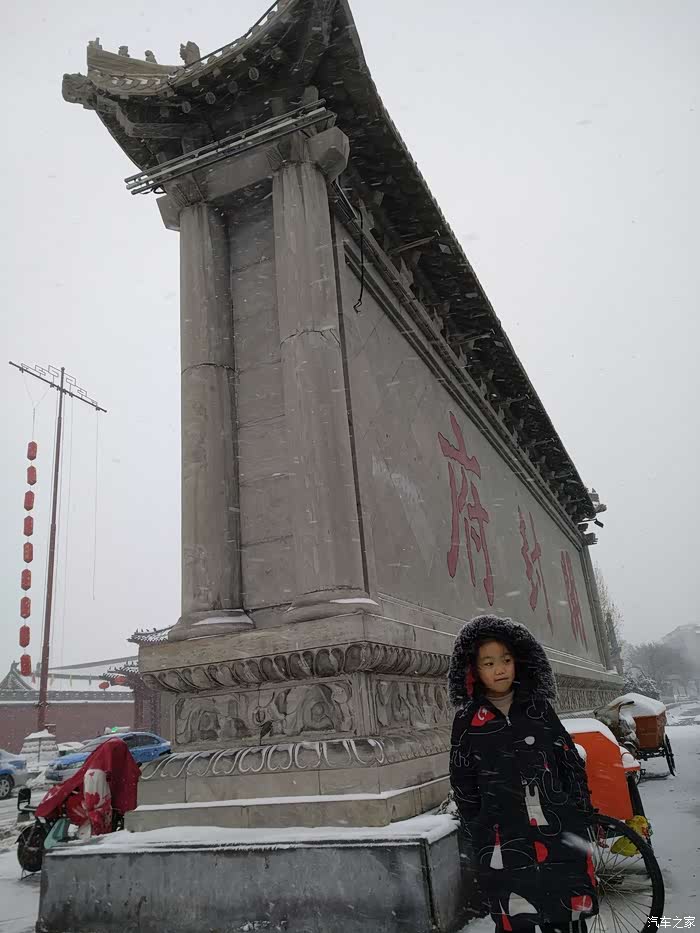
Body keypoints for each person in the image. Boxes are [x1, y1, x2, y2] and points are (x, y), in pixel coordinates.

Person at [448, 614, 598, 933]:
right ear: (474, 670)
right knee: (516, 919)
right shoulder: (468, 721)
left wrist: (580, 808)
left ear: (518, 661)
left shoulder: (538, 709)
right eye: (488, 663)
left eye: (506, 660)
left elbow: (568, 760)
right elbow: (463, 781)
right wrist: (480, 826)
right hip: (503, 839)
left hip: (558, 832)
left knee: (566, 917)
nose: (500, 669)